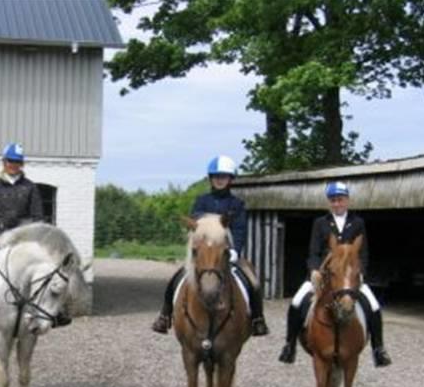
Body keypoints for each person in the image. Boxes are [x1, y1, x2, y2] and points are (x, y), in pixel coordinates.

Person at [0, 142, 71, 330]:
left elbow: (38, 217)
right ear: (4, 161)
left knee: (52, 269)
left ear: (21, 163)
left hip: (22, 239)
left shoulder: (30, 188)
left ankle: (58, 312)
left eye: (17, 161)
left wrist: (36, 238)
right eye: (10, 161)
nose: (13, 165)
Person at [151, 155, 270, 336]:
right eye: (216, 176)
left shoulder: (236, 204)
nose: (219, 180)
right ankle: (164, 315)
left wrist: (235, 251)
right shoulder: (202, 201)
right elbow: (196, 229)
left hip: (226, 253)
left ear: (230, 179)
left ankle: (257, 319)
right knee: (175, 278)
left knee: (252, 281)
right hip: (204, 254)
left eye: (223, 176)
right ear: (211, 179)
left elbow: (239, 229)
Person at [278, 181, 393, 367]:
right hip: (323, 274)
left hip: (350, 276)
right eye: (333, 200)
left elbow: (363, 252)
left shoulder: (357, 223)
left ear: (347, 200)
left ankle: (378, 348)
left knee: (373, 306)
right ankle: (289, 345)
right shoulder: (320, 223)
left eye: (340, 199)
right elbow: (313, 251)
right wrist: (314, 269)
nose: (337, 204)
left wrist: (360, 272)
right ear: (329, 202)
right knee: (297, 302)